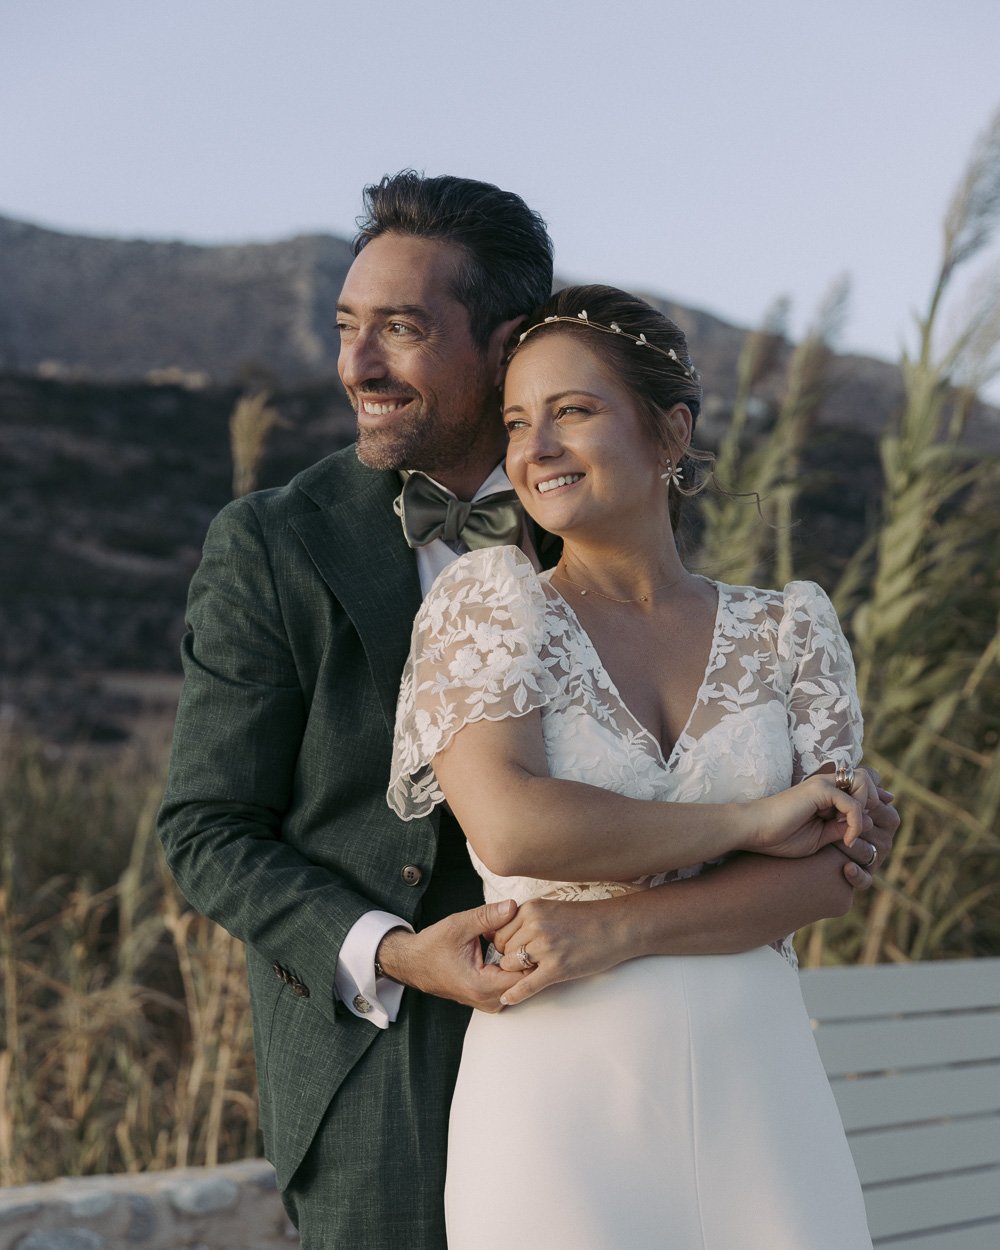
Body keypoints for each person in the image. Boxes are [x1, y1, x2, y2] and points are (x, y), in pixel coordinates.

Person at [158, 173, 895, 1250]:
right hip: (390, 1065)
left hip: (709, 1066)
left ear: (505, 341)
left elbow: (812, 838)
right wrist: (396, 952)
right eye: (347, 327)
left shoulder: (610, 527)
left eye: (401, 329)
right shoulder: (273, 542)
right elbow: (204, 827)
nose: (357, 364)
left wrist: (815, 823)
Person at [388, 285, 878, 1248]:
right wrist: (753, 822)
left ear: (669, 434)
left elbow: (834, 869)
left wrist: (610, 929)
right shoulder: (488, 606)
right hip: (557, 1105)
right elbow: (514, 824)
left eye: (573, 411)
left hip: (762, 1093)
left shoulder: (790, 630)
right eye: (518, 422)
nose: (535, 448)